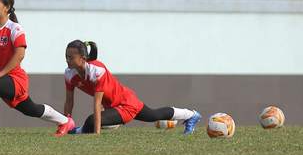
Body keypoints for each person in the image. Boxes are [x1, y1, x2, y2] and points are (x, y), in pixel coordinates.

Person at [0, 0, 75, 138]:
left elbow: (20, 54)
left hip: (15, 80)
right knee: (31, 109)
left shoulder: (15, 29)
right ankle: (65, 122)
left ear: (7, 7)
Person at [62, 40, 200, 135]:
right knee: (153, 115)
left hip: (125, 104)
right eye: (66, 56)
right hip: (114, 104)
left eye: (71, 57)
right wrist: (64, 123)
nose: (67, 60)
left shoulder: (97, 70)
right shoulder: (69, 74)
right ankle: (192, 115)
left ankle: (191, 115)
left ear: (83, 58)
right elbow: (69, 101)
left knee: (92, 121)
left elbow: (97, 103)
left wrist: (96, 134)